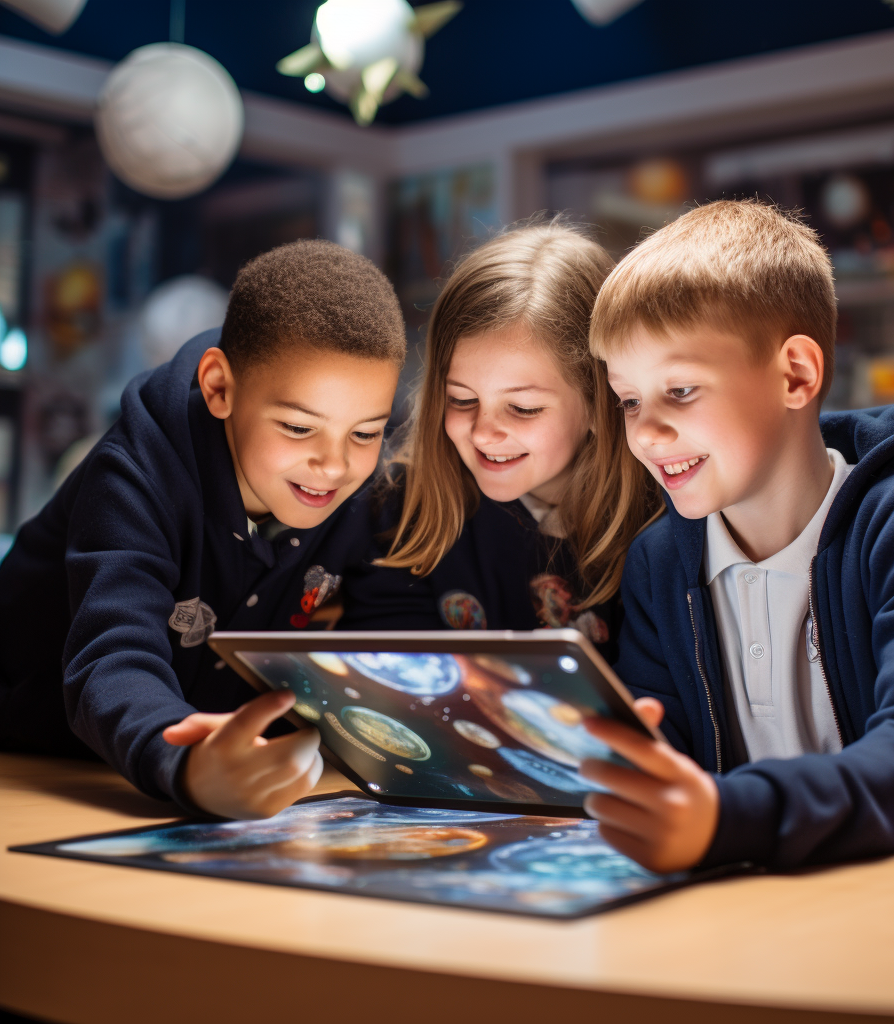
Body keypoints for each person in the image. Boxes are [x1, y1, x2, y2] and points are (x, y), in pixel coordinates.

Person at [577, 199, 894, 873]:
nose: (643, 432)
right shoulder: (659, 563)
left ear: (796, 375)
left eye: (682, 391)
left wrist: (726, 818)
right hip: (763, 902)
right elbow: (667, 758)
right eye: (630, 400)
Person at [0, 240, 406, 819]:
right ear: (219, 387)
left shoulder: (359, 492)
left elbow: (385, 638)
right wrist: (189, 764)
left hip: (197, 769)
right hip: (34, 758)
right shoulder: (134, 472)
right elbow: (113, 657)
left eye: (365, 433)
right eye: (297, 427)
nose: (335, 465)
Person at [339, 221, 661, 658]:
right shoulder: (402, 509)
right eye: (461, 399)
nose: (484, 431)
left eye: (524, 408)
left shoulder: (663, 523)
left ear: (599, 400)